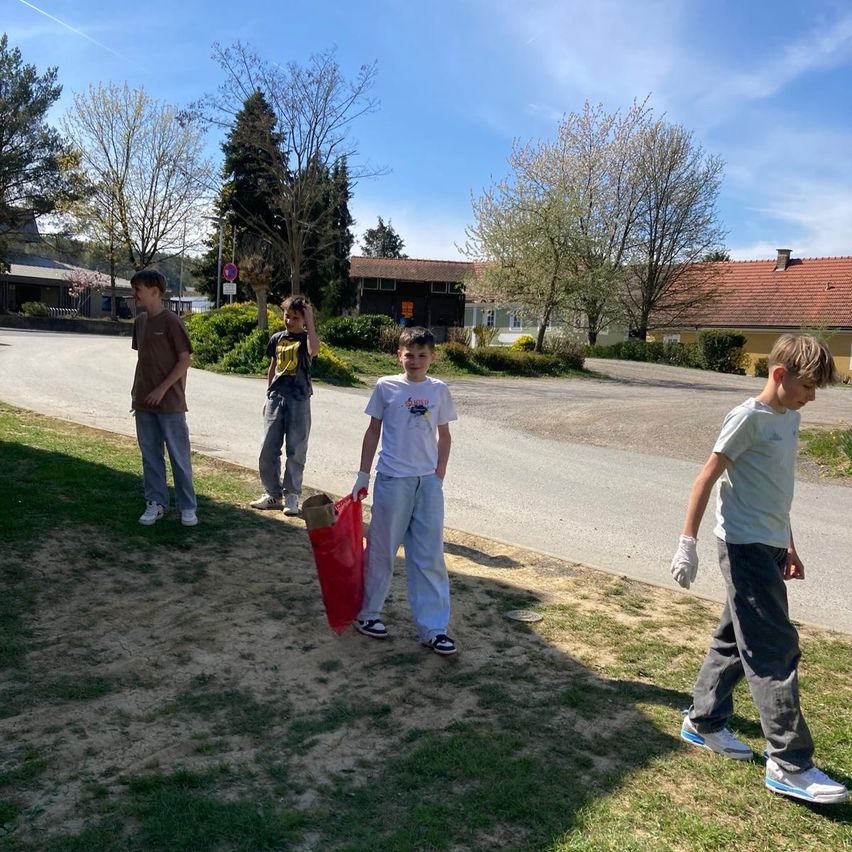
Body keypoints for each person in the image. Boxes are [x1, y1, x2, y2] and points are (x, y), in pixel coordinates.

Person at [670, 334, 847, 804]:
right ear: (779, 375)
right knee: (773, 648)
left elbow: (776, 490)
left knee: (735, 639)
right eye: (808, 386)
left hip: (769, 546)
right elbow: (705, 476)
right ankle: (789, 763)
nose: (812, 397)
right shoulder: (748, 418)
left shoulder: (788, 419)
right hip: (743, 546)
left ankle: (702, 720)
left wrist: (789, 546)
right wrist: (687, 543)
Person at [351, 326, 459, 656]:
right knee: (382, 550)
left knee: (429, 556)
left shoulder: (439, 390)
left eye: (422, 355)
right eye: (409, 354)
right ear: (399, 355)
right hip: (392, 480)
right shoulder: (386, 387)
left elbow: (445, 437)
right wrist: (362, 475)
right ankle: (368, 614)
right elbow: (373, 432)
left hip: (426, 484)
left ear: (433, 358)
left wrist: (437, 476)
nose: (415, 360)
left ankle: (434, 628)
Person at [130, 269, 198, 527]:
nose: (133, 294)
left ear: (155, 292)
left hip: (170, 403)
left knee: (179, 456)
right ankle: (156, 503)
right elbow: (144, 360)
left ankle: (187, 507)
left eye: (138, 289)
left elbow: (185, 360)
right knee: (150, 455)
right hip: (143, 402)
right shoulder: (140, 322)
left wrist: (163, 389)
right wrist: (137, 391)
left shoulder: (172, 322)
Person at [250, 295, 319, 516]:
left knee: (296, 449)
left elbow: (314, 350)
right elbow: (273, 366)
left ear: (304, 319)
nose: (289, 321)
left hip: (299, 398)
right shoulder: (277, 338)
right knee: (267, 448)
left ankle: (292, 496)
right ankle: (272, 493)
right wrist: (268, 393)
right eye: (287, 316)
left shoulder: (307, 338)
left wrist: (310, 321)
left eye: (295, 318)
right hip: (276, 397)